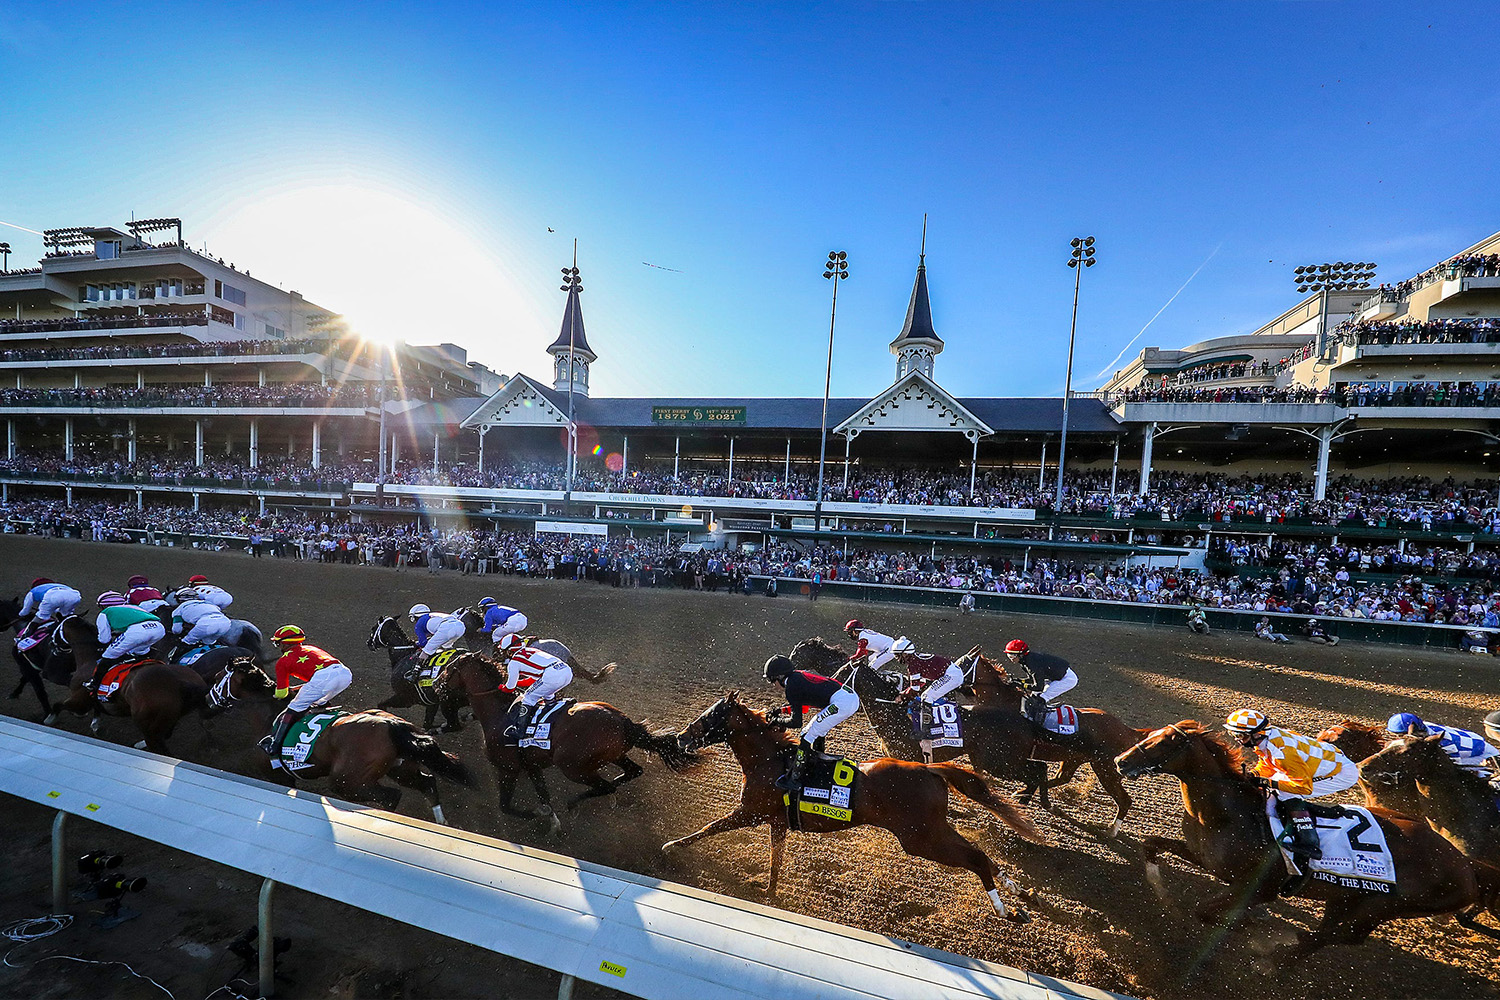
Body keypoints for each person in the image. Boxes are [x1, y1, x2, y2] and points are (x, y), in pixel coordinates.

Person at [1224, 708, 1358, 864]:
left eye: (1240, 735)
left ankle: (1310, 842)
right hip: (1322, 762)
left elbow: (1303, 787)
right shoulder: (1267, 738)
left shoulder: (1282, 752)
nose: (1237, 739)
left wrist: (1267, 782)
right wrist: (1255, 774)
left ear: (1256, 734)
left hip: (1341, 773)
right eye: (1235, 734)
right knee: (1275, 785)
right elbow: (1269, 763)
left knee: (1284, 791)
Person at [763, 655, 860, 802]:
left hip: (843, 702)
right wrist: (781, 711)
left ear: (779, 677)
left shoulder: (792, 687)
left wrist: (777, 721)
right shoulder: (796, 677)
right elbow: (805, 706)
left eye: (772, 680)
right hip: (848, 698)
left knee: (807, 734)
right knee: (816, 728)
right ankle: (818, 760)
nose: (773, 685)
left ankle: (794, 779)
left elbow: (796, 722)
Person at [259, 625, 353, 758]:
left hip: (323, 679)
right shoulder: (311, 648)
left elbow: (282, 693)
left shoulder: (283, 661)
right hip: (345, 674)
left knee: (293, 707)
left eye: (278, 643)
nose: (278, 646)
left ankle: (274, 744)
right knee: (318, 701)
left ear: (285, 644)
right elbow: (319, 678)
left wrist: (276, 694)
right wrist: (298, 688)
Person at [85, 591, 168, 694]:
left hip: (137, 631)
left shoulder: (105, 612)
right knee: (140, 651)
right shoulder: (134, 607)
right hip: (158, 628)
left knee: (108, 655)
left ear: (103, 606)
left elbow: (104, 639)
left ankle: (94, 684)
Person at [496, 633, 572, 741]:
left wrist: (500, 687)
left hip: (551, 675)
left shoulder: (514, 662)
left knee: (528, 696)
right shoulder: (532, 650)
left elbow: (510, 688)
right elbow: (534, 680)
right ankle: (550, 715)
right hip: (566, 671)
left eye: (503, 650)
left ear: (509, 650)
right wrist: (519, 683)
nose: (503, 653)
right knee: (547, 693)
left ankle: (519, 731)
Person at [1384, 712, 1499, 775]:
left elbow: (1453, 768)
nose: (1398, 739)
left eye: (1401, 736)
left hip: (1480, 755)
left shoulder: (1445, 742)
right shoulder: (1422, 728)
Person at [893, 638, 967, 731]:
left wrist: (903, 696)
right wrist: (905, 692)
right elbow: (922, 682)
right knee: (926, 695)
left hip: (952, 675)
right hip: (952, 673)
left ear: (905, 653)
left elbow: (915, 689)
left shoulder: (913, 664)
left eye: (897, 655)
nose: (897, 658)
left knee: (926, 696)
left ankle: (926, 730)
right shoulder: (915, 659)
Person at [1003, 639, 1077, 725]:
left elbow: (1038, 687)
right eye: (1009, 655)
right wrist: (1018, 680)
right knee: (1033, 697)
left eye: (1013, 655)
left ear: (1021, 655)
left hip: (1067, 679)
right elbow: (1032, 679)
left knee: (1040, 698)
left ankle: (1039, 725)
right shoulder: (1025, 661)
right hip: (1054, 677)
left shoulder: (1032, 664)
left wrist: (1021, 684)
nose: (1011, 659)